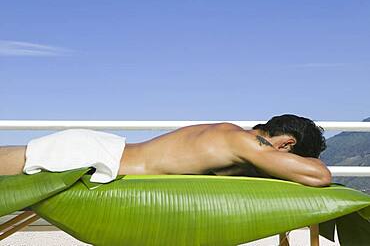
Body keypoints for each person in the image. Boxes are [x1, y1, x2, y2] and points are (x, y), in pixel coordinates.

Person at [0, 114, 331, 186]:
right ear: (287, 144)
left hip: (99, 149)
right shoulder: (248, 143)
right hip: (94, 155)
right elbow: (319, 176)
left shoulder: (230, 133)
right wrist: (304, 163)